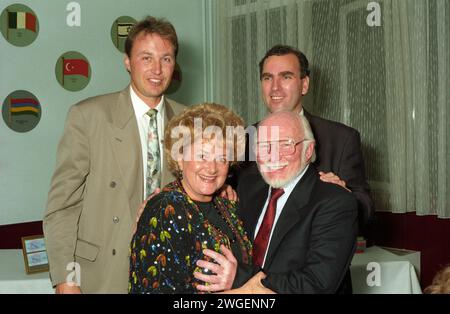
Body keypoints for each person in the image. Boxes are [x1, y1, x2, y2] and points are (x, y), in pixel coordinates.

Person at [43, 16, 186, 293]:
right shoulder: (89, 116)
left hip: (170, 272)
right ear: (127, 62)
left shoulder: (187, 121)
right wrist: (65, 278)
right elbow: (62, 206)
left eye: (166, 59)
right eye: (146, 58)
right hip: (104, 275)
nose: (157, 69)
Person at [233, 44, 373, 239]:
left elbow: (365, 212)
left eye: (286, 77)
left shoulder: (341, 139)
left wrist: (344, 195)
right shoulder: (243, 140)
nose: (275, 87)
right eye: (267, 78)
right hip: (252, 265)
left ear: (304, 84)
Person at [129, 103, 252, 293]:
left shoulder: (226, 204)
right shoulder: (166, 209)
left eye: (222, 158)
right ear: (179, 157)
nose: (212, 168)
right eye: (202, 155)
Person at [229, 111, 358, 293]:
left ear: (308, 150)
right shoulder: (248, 188)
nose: (272, 156)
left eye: (286, 145)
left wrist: (239, 276)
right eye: (264, 146)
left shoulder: (335, 202)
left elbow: (316, 285)